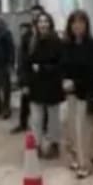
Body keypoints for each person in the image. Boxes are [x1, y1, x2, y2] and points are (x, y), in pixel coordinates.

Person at [61, 10, 93, 179]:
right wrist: (63, 80)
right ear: (70, 26)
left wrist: (75, 82)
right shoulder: (66, 45)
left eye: (81, 22)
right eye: (74, 22)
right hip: (70, 93)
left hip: (86, 92)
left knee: (84, 130)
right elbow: (62, 66)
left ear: (87, 25)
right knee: (72, 128)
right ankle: (77, 159)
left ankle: (85, 164)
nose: (77, 25)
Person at [25, 10, 65, 158]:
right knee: (36, 118)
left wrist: (42, 68)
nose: (43, 24)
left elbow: (61, 64)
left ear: (50, 24)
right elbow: (27, 63)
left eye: (46, 21)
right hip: (36, 86)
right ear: (36, 24)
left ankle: (54, 144)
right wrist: (26, 82)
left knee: (53, 118)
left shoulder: (57, 41)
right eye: (40, 21)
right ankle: (37, 145)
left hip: (52, 85)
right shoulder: (32, 41)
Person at [13, 5, 46, 134]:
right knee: (25, 99)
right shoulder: (27, 35)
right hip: (28, 74)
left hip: (42, 74)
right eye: (33, 15)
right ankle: (23, 124)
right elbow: (22, 57)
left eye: (38, 14)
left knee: (42, 103)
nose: (35, 17)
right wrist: (22, 77)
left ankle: (44, 127)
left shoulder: (48, 34)